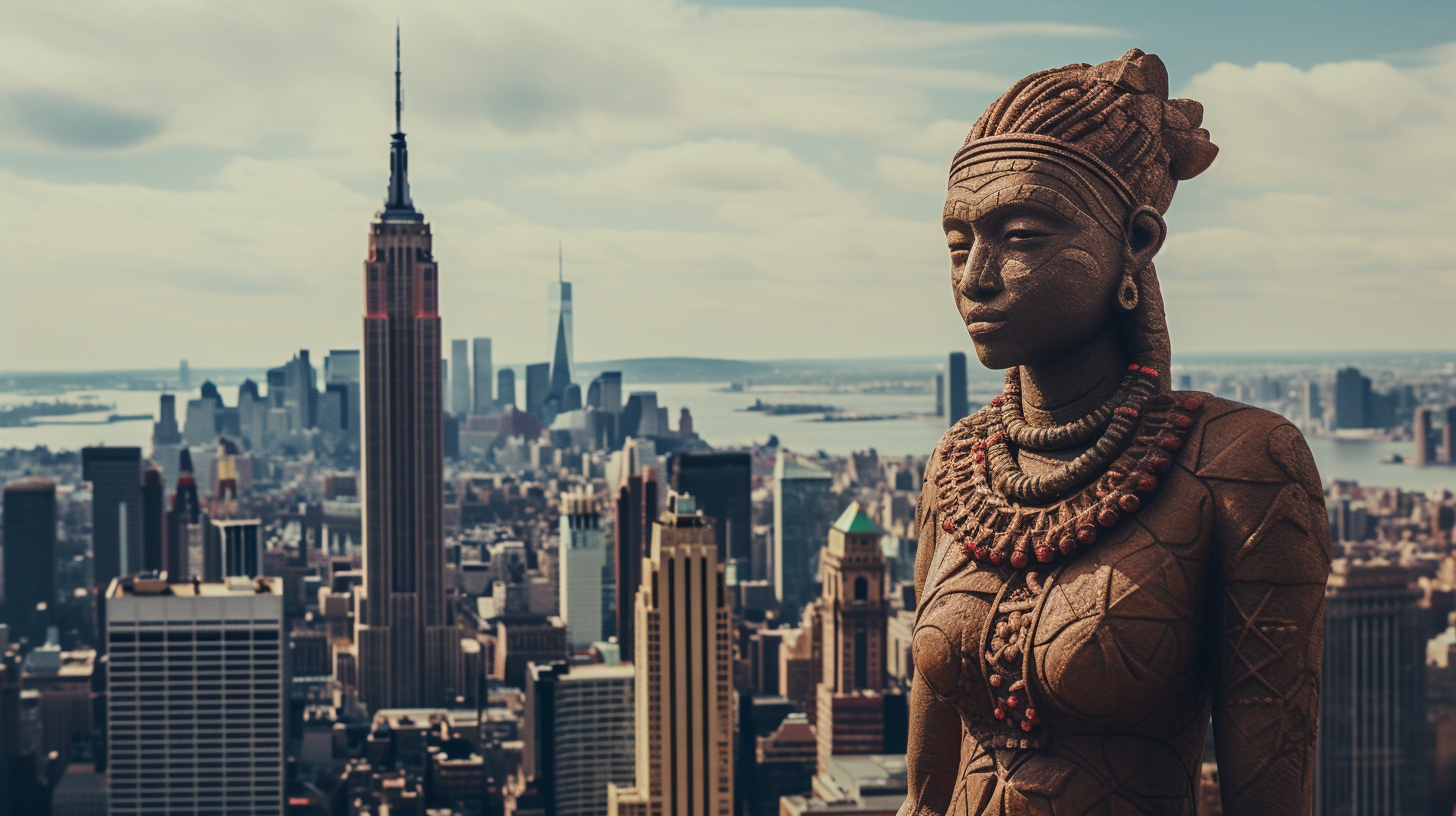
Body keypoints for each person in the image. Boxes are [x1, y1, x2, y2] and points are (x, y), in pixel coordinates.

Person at [901, 50, 1330, 816]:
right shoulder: (956, 467)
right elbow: (924, 796)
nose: (975, 278)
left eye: (1022, 234)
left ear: (1136, 243)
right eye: (958, 245)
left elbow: (1271, 794)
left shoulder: (1242, 466)